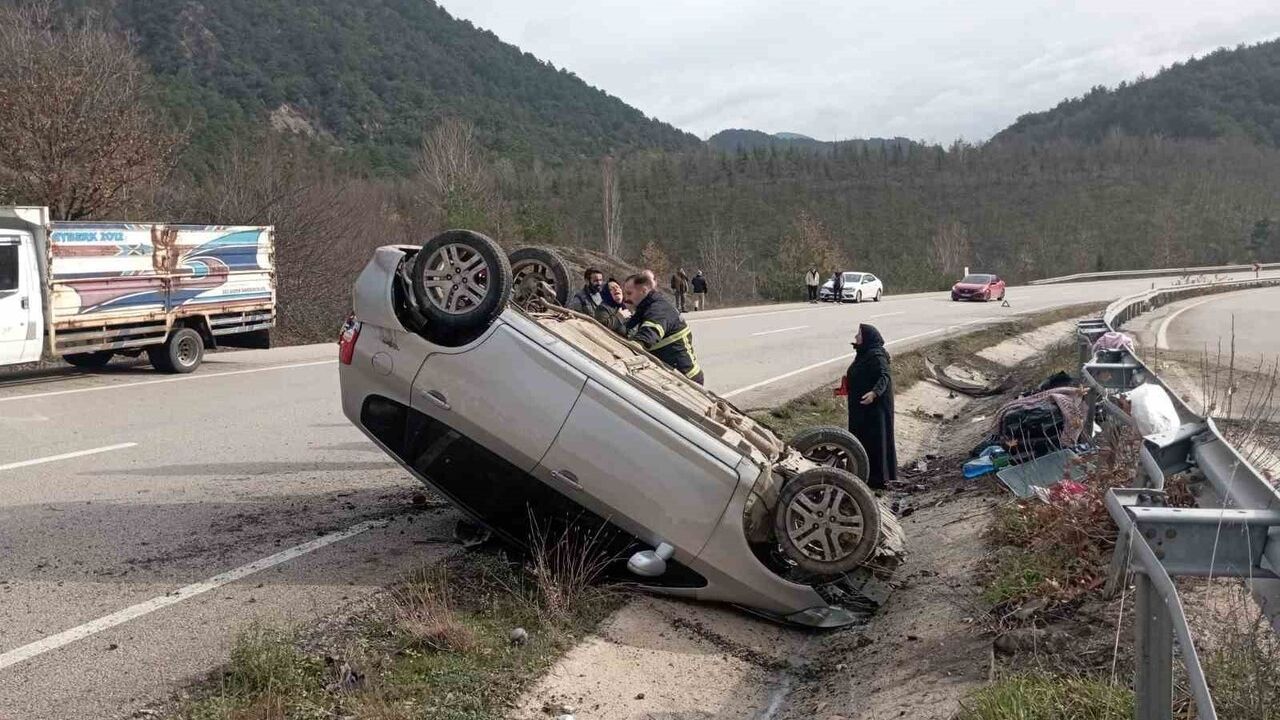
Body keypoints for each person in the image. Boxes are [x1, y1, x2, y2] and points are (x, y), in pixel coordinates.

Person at [622, 273, 703, 384]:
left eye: (629, 293)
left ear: (643, 290)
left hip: (686, 379)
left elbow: (645, 338)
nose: (626, 298)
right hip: (675, 375)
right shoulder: (645, 308)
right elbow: (625, 327)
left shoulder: (659, 310)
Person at [845, 323, 897, 489]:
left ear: (867, 338)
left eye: (858, 335)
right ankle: (862, 473)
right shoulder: (864, 353)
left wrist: (874, 393)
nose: (855, 337)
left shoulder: (876, 355)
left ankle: (877, 478)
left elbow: (884, 376)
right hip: (862, 409)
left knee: (876, 441)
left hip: (874, 410)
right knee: (861, 439)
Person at [566, 267, 626, 334]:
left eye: (601, 280)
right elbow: (572, 317)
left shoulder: (606, 294)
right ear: (587, 281)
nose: (599, 283)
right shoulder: (579, 299)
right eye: (596, 281)